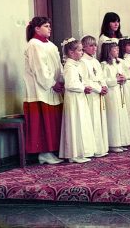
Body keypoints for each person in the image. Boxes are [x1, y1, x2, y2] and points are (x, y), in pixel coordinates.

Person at [23, 17, 64, 165]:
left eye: (49, 26)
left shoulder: (51, 45)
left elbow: (58, 66)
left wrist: (61, 80)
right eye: (46, 26)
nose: (49, 28)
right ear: (37, 29)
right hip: (40, 90)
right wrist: (52, 83)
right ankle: (43, 153)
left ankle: (51, 151)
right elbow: (39, 67)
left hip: (53, 88)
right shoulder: (34, 44)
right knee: (43, 121)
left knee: (52, 120)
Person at [59, 38, 96, 163]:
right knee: (74, 123)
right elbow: (70, 84)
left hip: (79, 97)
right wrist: (83, 87)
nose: (82, 53)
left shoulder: (76, 65)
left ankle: (80, 152)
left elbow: (80, 80)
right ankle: (73, 154)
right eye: (80, 50)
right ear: (71, 52)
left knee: (80, 123)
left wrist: (85, 85)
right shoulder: (69, 66)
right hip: (73, 98)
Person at [100, 40, 130, 152]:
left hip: (119, 92)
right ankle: (114, 143)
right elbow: (104, 80)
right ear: (108, 51)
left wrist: (123, 78)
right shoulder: (104, 65)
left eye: (118, 48)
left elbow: (123, 75)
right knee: (114, 117)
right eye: (115, 49)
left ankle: (122, 141)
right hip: (111, 94)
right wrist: (116, 80)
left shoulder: (118, 62)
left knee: (121, 116)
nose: (117, 50)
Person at [80, 35, 109, 157]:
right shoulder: (82, 61)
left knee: (100, 120)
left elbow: (101, 77)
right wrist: (98, 89)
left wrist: (104, 86)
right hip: (91, 95)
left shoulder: (95, 61)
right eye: (91, 45)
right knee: (93, 120)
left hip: (99, 94)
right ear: (84, 47)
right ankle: (93, 149)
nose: (94, 48)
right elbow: (85, 81)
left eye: (95, 45)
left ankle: (101, 148)